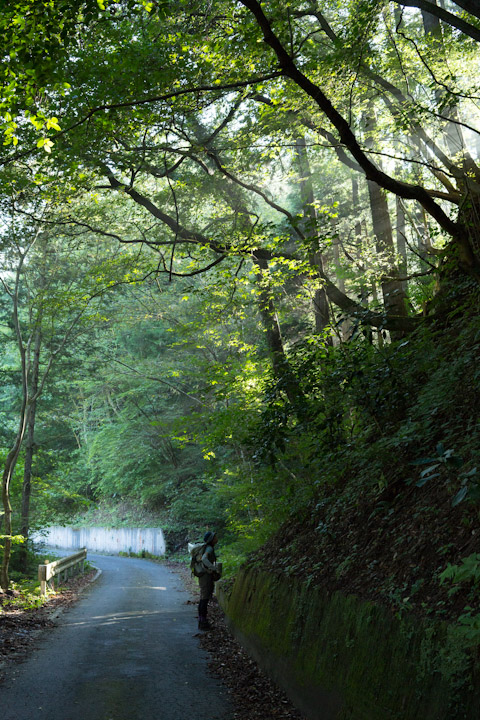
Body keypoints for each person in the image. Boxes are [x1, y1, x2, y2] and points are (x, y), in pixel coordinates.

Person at [197, 530, 219, 630]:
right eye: (215, 537)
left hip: (203, 576)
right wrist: (213, 568)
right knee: (204, 599)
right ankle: (203, 623)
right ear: (211, 539)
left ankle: (202, 621)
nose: (216, 538)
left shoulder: (207, 547)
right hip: (206, 577)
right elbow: (204, 559)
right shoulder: (209, 548)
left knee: (203, 598)